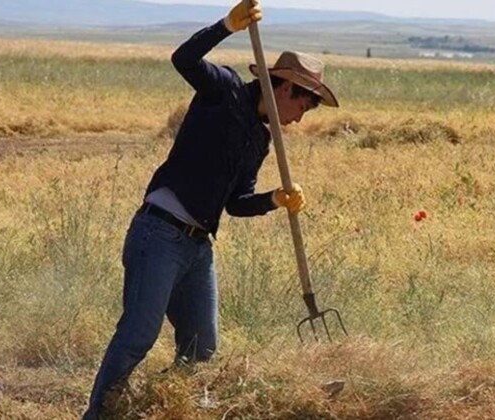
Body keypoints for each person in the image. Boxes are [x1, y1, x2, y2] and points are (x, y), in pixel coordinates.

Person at [83, 0, 339, 417]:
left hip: (198, 247)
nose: (300, 118)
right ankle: (97, 415)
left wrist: (273, 199)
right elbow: (182, 59)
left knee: (201, 349)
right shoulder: (225, 90)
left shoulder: (260, 139)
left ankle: (160, 407)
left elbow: (236, 204)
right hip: (159, 233)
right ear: (285, 89)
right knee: (138, 335)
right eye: (304, 106)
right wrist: (225, 26)